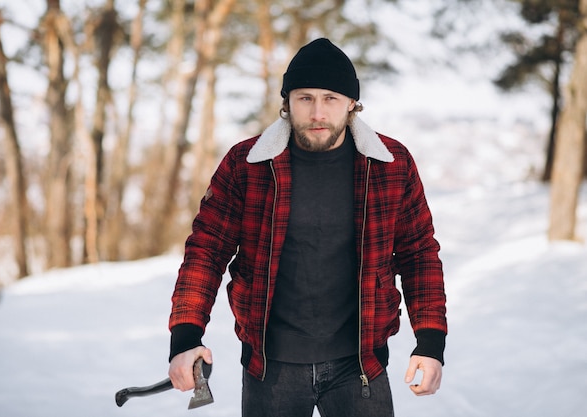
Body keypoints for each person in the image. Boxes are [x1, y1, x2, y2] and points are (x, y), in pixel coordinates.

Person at [168, 38, 447, 417]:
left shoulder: (389, 164)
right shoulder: (247, 164)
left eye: (330, 98)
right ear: (287, 103)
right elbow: (206, 250)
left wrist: (430, 342)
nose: (318, 112)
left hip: (360, 363)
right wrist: (185, 335)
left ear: (351, 104)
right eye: (305, 98)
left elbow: (419, 254)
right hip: (271, 368)